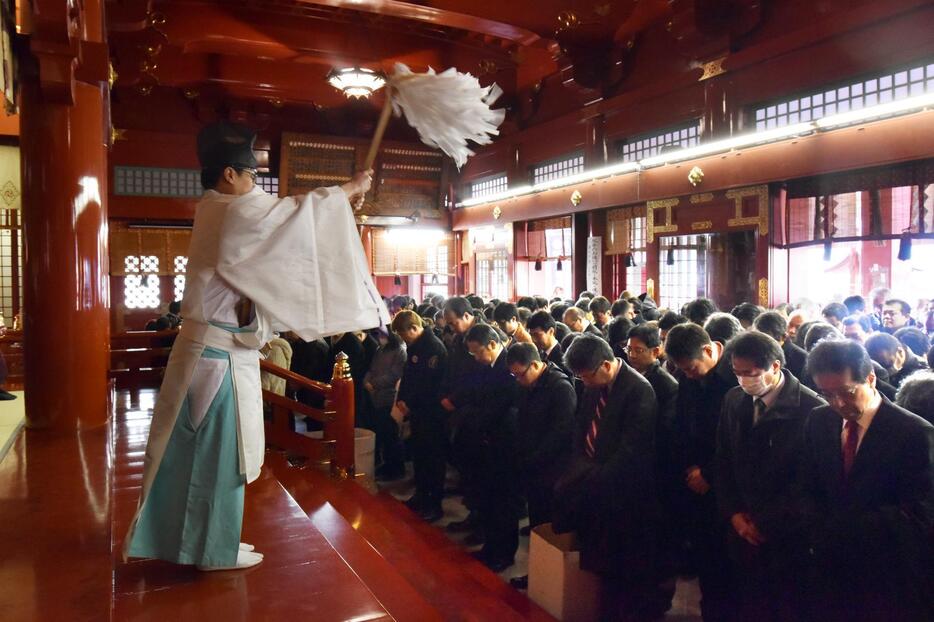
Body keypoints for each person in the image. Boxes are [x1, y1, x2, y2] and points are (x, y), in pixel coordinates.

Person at [124, 121, 387, 570]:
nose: (253, 186)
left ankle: (211, 543)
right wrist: (347, 191)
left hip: (218, 355)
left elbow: (283, 218)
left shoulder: (217, 209)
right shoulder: (230, 211)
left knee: (209, 457)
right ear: (229, 174)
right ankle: (212, 550)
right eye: (249, 175)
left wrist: (342, 198)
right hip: (216, 360)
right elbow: (289, 215)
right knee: (216, 457)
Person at [801, 340, 934, 622]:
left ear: (870, 379)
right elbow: (809, 482)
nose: (837, 403)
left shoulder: (913, 433)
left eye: (846, 392)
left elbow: (920, 511)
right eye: (826, 394)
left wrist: (847, 527)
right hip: (829, 566)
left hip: (885, 569)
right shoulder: (819, 420)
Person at [715, 331, 825, 621]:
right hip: (741, 527)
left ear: (775, 366)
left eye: (750, 373)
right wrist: (735, 515)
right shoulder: (734, 399)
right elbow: (724, 460)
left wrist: (765, 522)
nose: (743, 380)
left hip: (787, 537)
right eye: (737, 373)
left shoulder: (812, 410)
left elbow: (809, 482)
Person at [554, 335, 661, 621]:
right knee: (599, 561)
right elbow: (581, 429)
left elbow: (631, 451)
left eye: (587, 376)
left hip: (621, 491)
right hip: (592, 483)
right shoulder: (593, 385)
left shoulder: (639, 390)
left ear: (605, 364)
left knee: (622, 565)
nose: (584, 382)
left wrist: (594, 479)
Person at [664, 322, 738, 621]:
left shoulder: (736, 376)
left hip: (724, 482)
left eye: (692, 368)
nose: (689, 375)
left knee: (726, 564)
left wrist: (707, 472)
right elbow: (683, 424)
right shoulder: (688, 376)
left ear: (709, 350)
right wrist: (691, 469)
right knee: (706, 557)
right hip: (695, 479)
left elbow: (735, 439)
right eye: (683, 370)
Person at [506, 343, 576, 588]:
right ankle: (537, 572)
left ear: (535, 364)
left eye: (521, 374)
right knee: (537, 524)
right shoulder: (527, 385)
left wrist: (535, 457)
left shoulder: (560, 387)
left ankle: (555, 579)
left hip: (553, 470)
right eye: (513, 375)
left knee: (552, 526)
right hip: (532, 467)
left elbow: (561, 433)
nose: (518, 380)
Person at [464, 324, 520, 571]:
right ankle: (490, 546)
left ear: (493, 344)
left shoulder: (509, 366)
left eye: (478, 352)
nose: (476, 358)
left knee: (503, 503)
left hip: (504, 444)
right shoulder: (487, 366)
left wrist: (480, 423)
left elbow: (503, 407)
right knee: (488, 498)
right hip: (486, 443)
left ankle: (504, 553)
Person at [393, 310, 448, 518]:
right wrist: (402, 399)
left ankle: (434, 502)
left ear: (414, 329)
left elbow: (431, 386)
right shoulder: (415, 346)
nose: (404, 339)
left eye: (405, 334)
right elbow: (408, 377)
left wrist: (412, 404)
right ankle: (421, 494)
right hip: (416, 412)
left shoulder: (434, 348)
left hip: (431, 414)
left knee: (433, 459)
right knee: (420, 456)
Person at [364, 329, 407, 481]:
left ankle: (396, 468)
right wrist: (366, 380)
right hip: (376, 397)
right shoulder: (380, 349)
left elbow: (395, 374)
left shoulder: (399, 350)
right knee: (382, 433)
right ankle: (387, 464)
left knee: (392, 435)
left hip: (389, 397)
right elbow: (372, 368)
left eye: (383, 335)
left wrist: (374, 383)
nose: (380, 338)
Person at [754, 311, 807, 380]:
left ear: (784, 337)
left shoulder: (802, 358)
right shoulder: (754, 354)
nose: (761, 345)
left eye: (767, 340)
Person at [526, 309, 569, 374]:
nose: (533, 339)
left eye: (537, 335)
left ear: (551, 331)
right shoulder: (539, 353)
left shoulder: (563, 358)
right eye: (531, 335)